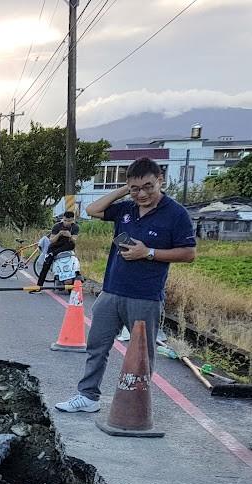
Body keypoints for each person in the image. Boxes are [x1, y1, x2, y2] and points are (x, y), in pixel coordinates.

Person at [56, 157, 197, 413]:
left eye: (148, 187)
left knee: (142, 355)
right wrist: (124, 190)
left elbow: (188, 253)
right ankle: (87, 396)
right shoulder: (126, 209)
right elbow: (92, 210)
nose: (142, 194)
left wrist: (149, 252)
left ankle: (135, 406)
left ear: (160, 181)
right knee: (97, 346)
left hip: (145, 296)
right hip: (111, 291)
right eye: (135, 188)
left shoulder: (176, 214)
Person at [33, 211, 79, 289]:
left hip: (67, 246)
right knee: (46, 264)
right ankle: (39, 285)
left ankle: (74, 280)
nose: (67, 223)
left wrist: (69, 236)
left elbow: (74, 240)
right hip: (55, 245)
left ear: (72, 220)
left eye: (69, 221)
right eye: (65, 220)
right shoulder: (57, 226)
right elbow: (51, 240)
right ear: (63, 219)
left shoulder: (75, 227)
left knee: (71, 248)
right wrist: (59, 234)